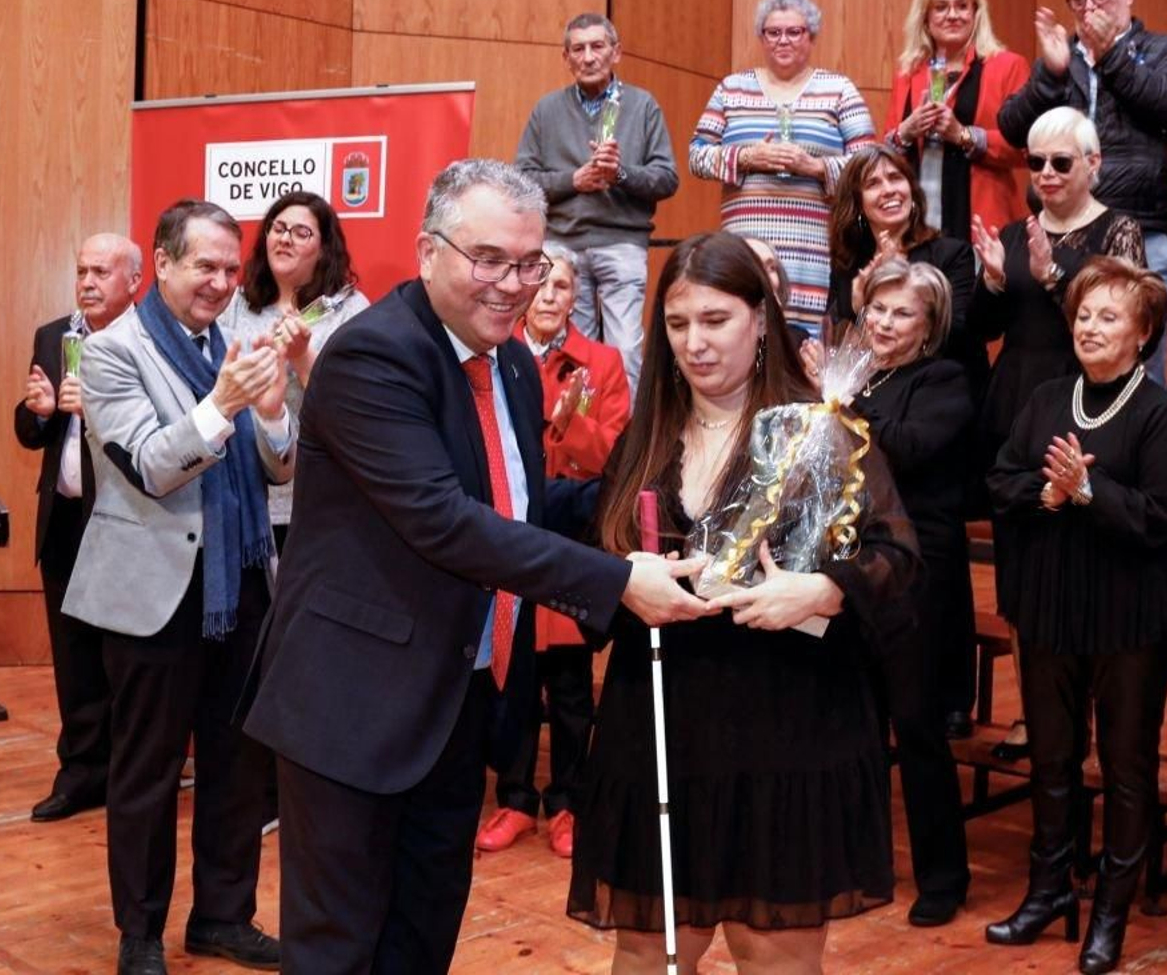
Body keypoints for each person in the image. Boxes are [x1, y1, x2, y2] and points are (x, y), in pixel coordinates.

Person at [244, 159, 712, 974]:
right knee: (337, 952)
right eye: (488, 258)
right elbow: (446, 522)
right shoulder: (372, 358)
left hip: (455, 700)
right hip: (350, 706)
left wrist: (661, 485)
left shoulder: (512, 364)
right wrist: (614, 583)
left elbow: (519, 504)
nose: (512, 283)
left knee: (422, 940)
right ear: (429, 250)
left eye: (530, 262)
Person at [569, 232, 920, 974]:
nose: (694, 343)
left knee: (775, 960)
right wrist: (622, 575)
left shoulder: (825, 431)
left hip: (785, 728)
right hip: (659, 730)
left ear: (762, 319)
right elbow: (600, 563)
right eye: (676, 323)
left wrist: (823, 589)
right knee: (649, 960)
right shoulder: (645, 436)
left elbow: (898, 560)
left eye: (715, 319)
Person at [61, 200, 296, 975]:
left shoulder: (228, 341)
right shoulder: (109, 352)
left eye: (233, 269)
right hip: (154, 593)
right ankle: (139, 932)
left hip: (240, 586)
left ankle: (223, 916)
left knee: (238, 767)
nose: (223, 283)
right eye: (206, 266)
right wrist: (226, 401)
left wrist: (270, 414)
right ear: (160, 263)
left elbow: (278, 468)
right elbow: (153, 467)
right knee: (147, 771)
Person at [985, 257, 1167, 975]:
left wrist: (1085, 492)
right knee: (1051, 760)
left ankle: (1110, 913)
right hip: (1050, 609)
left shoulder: (1163, 415)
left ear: (1141, 335)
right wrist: (1044, 496)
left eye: (1108, 317)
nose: (1090, 327)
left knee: (1126, 769)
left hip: (1129, 620)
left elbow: (1161, 519)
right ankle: (1047, 891)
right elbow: (1003, 479)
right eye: (1083, 314)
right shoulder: (1045, 398)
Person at [970, 105, 1145, 763]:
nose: (1044, 172)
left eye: (1060, 162)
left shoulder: (1117, 229)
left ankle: (1092, 718)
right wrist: (991, 280)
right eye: (1035, 162)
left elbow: (1124, 312)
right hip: (1018, 402)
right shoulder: (1016, 231)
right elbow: (986, 326)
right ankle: (1032, 713)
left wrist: (1051, 275)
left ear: (1093, 165)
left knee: (1084, 567)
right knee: (1021, 572)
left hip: (1089, 404)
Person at [477, 253, 632, 857]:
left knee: (569, 687)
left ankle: (568, 802)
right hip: (512, 538)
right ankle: (514, 800)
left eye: (561, 284)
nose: (547, 294)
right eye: (540, 281)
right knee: (512, 682)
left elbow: (612, 456)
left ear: (574, 297)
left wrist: (570, 425)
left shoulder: (603, 364)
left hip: (569, 539)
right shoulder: (497, 354)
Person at [838, 260, 975, 927]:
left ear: (930, 325)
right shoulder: (859, 376)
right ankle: (860, 861)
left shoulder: (942, 379)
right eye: (878, 310)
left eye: (901, 312)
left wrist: (842, 407)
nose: (885, 322)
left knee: (917, 725)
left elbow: (911, 448)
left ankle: (944, 877)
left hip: (919, 571)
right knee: (854, 721)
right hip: (856, 563)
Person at [998, 0, 1167, 385]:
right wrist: (1049, 76)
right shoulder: (1059, 59)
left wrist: (1111, 56)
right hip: (1064, 236)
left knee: (1138, 370)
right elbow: (1013, 128)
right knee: (1059, 364)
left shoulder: (1165, 51)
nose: (1089, 7)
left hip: (1140, 230)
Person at [15, 232, 141, 824]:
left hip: (122, 523)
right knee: (73, 658)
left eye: (101, 272)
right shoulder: (53, 336)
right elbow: (30, 432)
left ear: (134, 282)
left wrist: (99, 411)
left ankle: (129, 777)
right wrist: (37, 412)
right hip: (64, 518)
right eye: (82, 270)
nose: (87, 282)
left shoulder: (146, 342)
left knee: (121, 659)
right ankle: (81, 773)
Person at [689, 0, 876, 335]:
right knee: (743, 329)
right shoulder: (732, 88)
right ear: (761, 37)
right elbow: (697, 155)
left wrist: (815, 167)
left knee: (802, 343)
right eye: (773, 32)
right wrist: (747, 157)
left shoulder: (839, 89)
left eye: (794, 32)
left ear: (812, 36)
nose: (783, 40)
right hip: (745, 242)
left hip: (813, 248)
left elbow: (870, 163)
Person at [517, 12, 679, 392]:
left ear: (616, 52)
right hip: (561, 246)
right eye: (578, 49)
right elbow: (520, 181)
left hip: (621, 243)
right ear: (566, 57)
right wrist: (572, 181)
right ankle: (571, 441)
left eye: (597, 46)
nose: (588, 57)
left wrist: (619, 174)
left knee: (624, 352)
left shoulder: (642, 106)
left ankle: (625, 445)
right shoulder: (546, 110)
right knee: (569, 350)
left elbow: (667, 178)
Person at [219, 190, 369, 555]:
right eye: (278, 228)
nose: (284, 238)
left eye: (301, 233)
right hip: (242, 492)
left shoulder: (351, 310)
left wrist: (302, 359)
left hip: (316, 499)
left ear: (324, 249)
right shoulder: (235, 302)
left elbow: (356, 409)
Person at [825, 144, 984, 399]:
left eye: (896, 178)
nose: (889, 190)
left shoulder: (951, 254)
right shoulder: (850, 262)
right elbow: (836, 343)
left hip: (937, 392)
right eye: (873, 183)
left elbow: (955, 333)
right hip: (870, 392)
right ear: (857, 204)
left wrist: (896, 279)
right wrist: (857, 308)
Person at [885, 0, 1030, 242]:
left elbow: (1027, 148)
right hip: (915, 224)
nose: (952, 15)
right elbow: (885, 151)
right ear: (926, 18)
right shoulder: (907, 73)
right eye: (941, 7)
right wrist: (906, 131)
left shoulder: (1007, 66)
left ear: (976, 14)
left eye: (962, 6)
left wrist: (964, 136)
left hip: (983, 225)